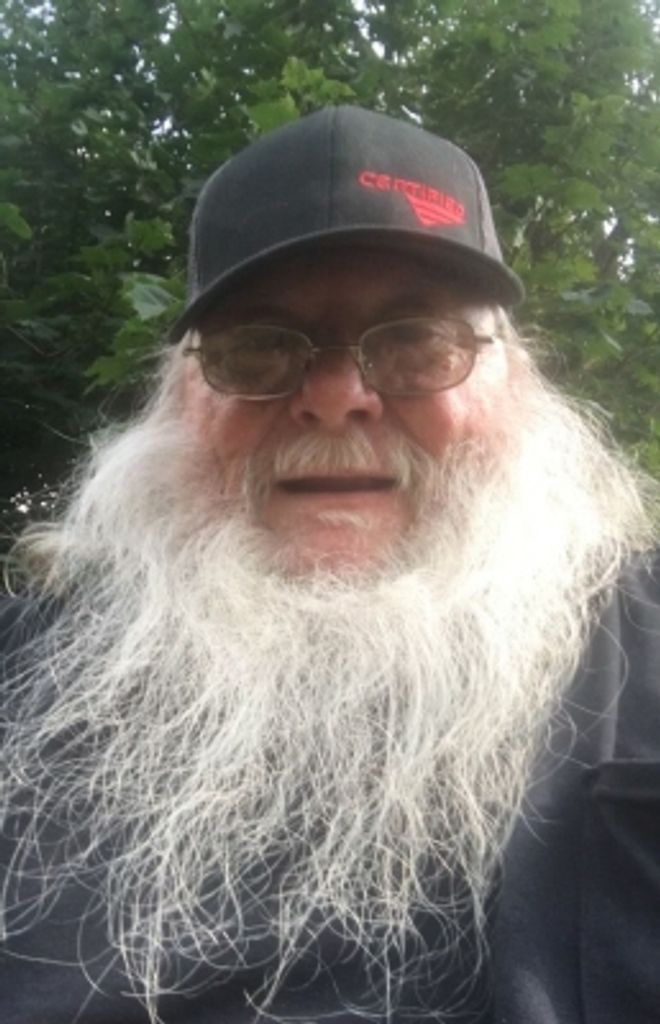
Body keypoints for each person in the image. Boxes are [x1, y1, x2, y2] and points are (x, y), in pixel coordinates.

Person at [1, 105, 659, 1024]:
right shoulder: (21, 677)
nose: (338, 399)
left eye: (417, 341)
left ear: (515, 376)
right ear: (180, 395)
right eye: (258, 348)